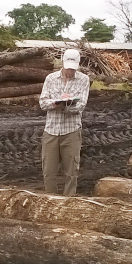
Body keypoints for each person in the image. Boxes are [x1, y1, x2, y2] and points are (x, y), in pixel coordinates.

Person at [39, 49, 90, 196]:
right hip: (51, 130)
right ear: (63, 63)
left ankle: (69, 203)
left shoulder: (83, 80)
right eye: (68, 68)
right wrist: (55, 103)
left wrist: (67, 105)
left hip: (71, 131)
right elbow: (43, 103)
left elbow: (81, 105)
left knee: (71, 172)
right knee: (48, 172)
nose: (70, 71)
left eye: (73, 68)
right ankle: (50, 201)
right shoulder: (51, 78)